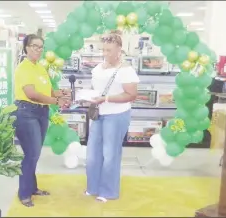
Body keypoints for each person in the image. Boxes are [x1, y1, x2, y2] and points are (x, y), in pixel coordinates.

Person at [13, 34, 71, 207]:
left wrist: (59, 93)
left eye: (40, 47)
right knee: (31, 154)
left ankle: (32, 188)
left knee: (34, 153)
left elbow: (46, 90)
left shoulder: (39, 67)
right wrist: (55, 101)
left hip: (41, 112)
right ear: (26, 48)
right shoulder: (23, 68)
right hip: (26, 112)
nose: (38, 50)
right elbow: (31, 94)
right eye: (34, 46)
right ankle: (23, 193)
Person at [85, 30, 139, 203]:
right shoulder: (97, 68)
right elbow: (95, 88)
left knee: (110, 154)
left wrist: (106, 98)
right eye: (104, 50)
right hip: (99, 114)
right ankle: (93, 187)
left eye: (109, 50)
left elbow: (131, 95)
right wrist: (90, 97)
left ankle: (108, 191)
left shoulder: (126, 70)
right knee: (93, 154)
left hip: (116, 115)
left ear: (119, 50)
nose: (106, 53)